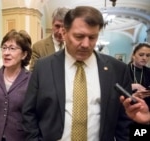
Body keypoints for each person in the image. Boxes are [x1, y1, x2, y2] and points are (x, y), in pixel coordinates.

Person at [22, 6, 132, 141]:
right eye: (79, 36)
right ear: (64, 33)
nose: (86, 44)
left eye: (92, 37)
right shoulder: (44, 67)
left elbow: (125, 120)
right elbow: (29, 112)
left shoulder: (118, 70)